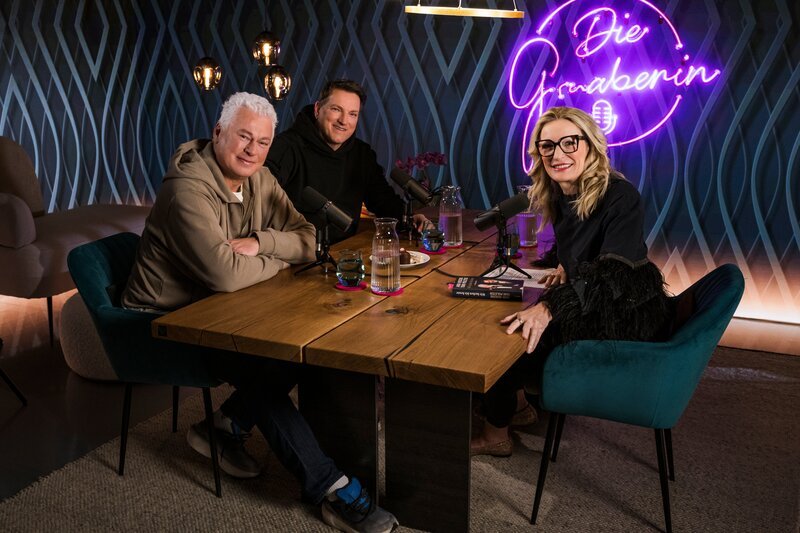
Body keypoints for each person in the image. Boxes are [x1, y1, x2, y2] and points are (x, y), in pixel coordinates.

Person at [121, 92, 398, 533]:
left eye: (263, 141)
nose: (252, 150)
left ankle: (226, 426)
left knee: (307, 341)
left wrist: (261, 244)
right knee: (259, 367)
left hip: (221, 306)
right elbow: (226, 276)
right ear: (218, 133)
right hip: (165, 320)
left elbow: (308, 239)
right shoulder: (187, 190)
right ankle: (329, 487)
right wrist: (277, 260)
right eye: (243, 137)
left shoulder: (260, 178)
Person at [470, 106, 673, 457]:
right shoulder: (563, 193)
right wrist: (565, 265)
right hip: (593, 294)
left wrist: (550, 308)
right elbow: (582, 249)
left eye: (569, 142)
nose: (557, 154)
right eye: (547, 146)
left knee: (505, 334)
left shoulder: (620, 195)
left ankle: (495, 433)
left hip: (619, 312)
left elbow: (615, 274)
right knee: (509, 310)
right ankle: (517, 407)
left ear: (591, 146)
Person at [266, 79, 428, 243]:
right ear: (317, 109)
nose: (344, 121)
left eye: (352, 114)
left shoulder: (361, 154)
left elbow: (382, 199)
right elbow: (259, 197)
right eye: (336, 109)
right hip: (292, 253)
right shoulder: (286, 147)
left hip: (343, 252)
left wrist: (410, 218)